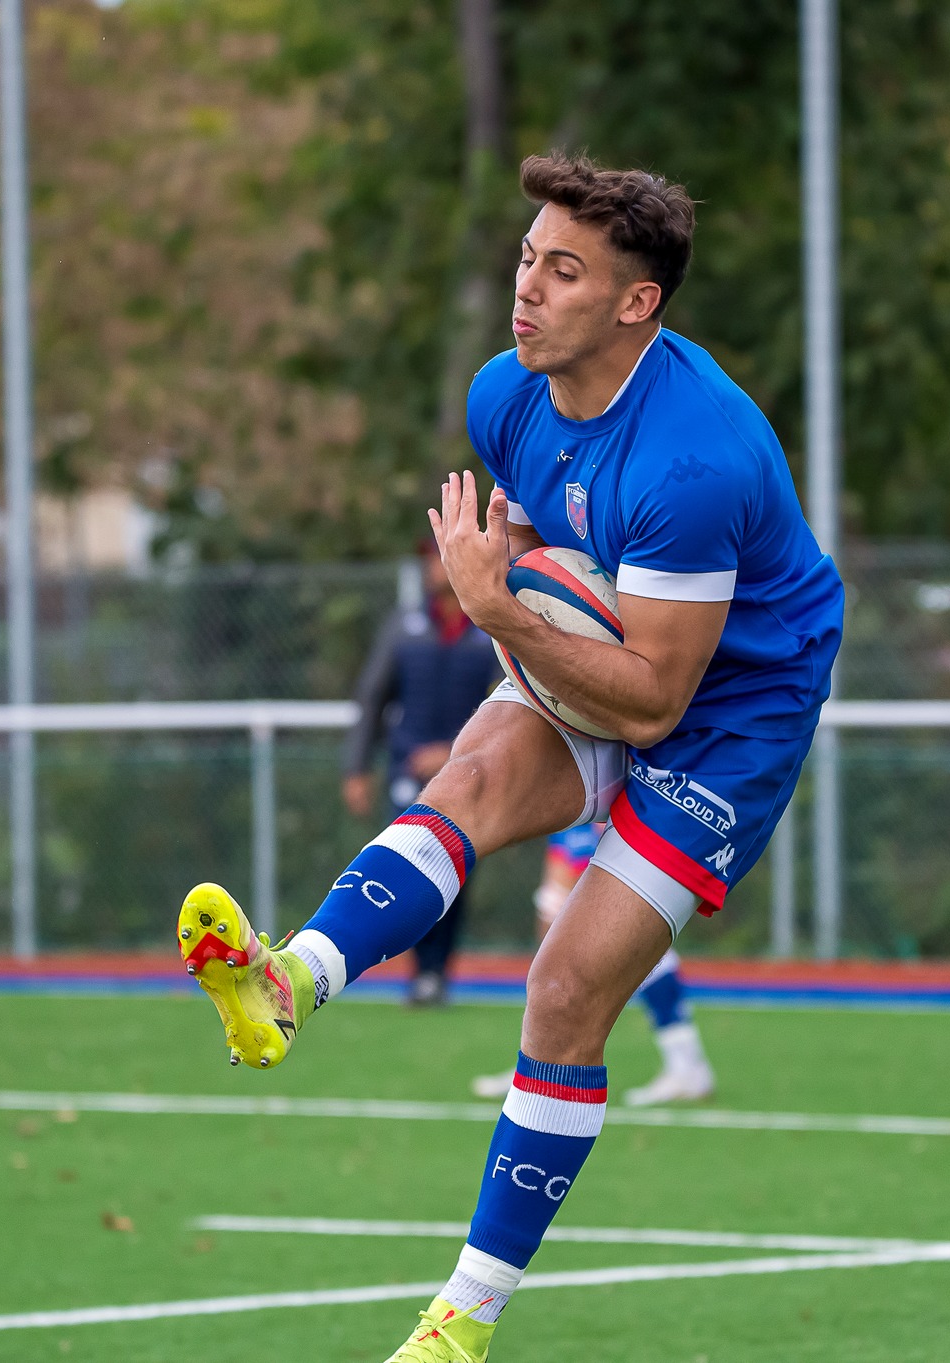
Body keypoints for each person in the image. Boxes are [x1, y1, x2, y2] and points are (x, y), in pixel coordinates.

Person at [175, 152, 842, 1362]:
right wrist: (516, 624)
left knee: (564, 987)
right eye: (528, 258)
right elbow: (540, 564)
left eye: (565, 271)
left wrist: (499, 614)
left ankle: (459, 1323)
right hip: (612, 651)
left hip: (732, 706)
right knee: (468, 781)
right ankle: (291, 982)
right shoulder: (507, 392)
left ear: (635, 304)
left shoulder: (694, 460)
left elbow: (649, 703)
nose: (526, 289)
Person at [342, 542, 502, 1006]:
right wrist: (356, 768)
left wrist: (453, 750)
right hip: (407, 774)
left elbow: (509, 707)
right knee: (410, 865)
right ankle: (419, 970)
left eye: (443, 556)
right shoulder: (404, 626)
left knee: (456, 872)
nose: (437, 566)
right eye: (431, 558)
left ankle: (437, 972)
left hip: (471, 775)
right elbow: (373, 698)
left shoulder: (490, 627)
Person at [471, 822, 713, 1105]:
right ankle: (536, 1063)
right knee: (556, 925)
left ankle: (686, 1066)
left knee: (634, 941)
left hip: (614, 814)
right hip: (579, 813)